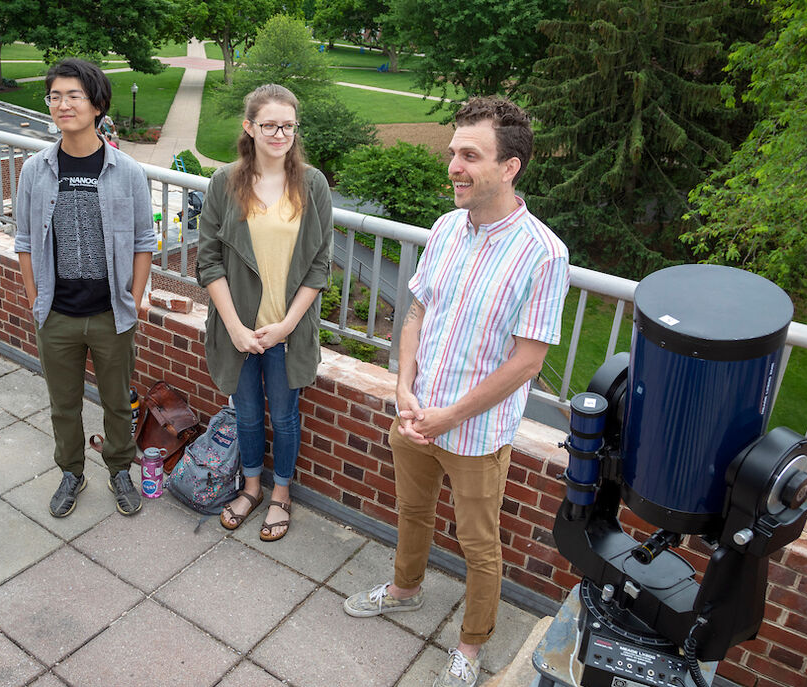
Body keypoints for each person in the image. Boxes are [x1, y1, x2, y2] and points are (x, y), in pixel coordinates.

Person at [343, 96, 569, 687]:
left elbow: (528, 361)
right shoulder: (445, 228)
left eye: (470, 155)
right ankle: (405, 588)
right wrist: (404, 387)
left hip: (475, 433)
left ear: (510, 166)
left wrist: (449, 417)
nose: (453, 166)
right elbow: (417, 309)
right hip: (415, 417)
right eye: (452, 152)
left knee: (479, 545)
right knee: (411, 512)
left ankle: (470, 650)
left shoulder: (543, 254)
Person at [14, 58, 155, 519]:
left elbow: (142, 241)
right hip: (57, 313)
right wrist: (36, 300)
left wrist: (133, 298)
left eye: (73, 95)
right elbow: (24, 241)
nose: (62, 104)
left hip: (111, 313)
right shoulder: (35, 170)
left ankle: (119, 468)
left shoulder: (127, 171)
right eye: (55, 96)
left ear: (96, 104)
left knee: (118, 401)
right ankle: (71, 471)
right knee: (63, 404)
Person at [197, 83, 333, 542]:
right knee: (249, 414)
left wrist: (287, 325)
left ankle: (281, 494)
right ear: (249, 127)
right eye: (270, 125)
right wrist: (235, 327)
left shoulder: (312, 184)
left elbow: (319, 264)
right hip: (241, 331)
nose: (279, 134)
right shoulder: (224, 183)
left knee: (286, 416)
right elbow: (209, 260)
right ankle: (251, 488)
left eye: (288, 126)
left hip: (287, 331)